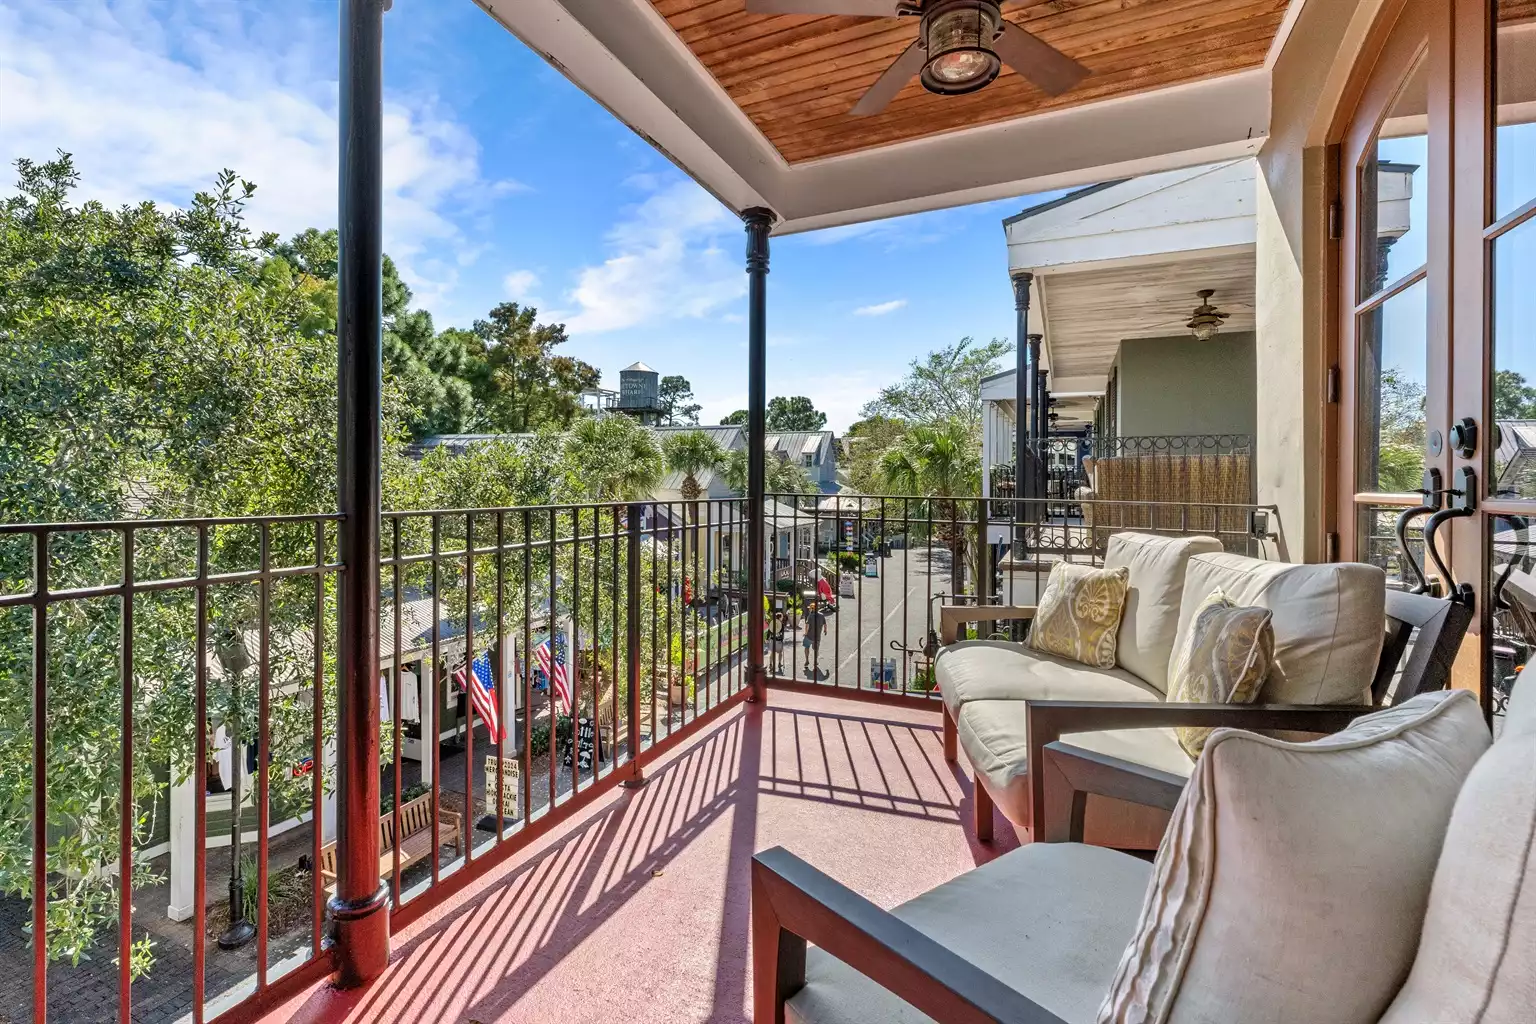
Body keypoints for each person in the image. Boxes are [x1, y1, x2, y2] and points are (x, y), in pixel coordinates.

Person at [802, 601, 827, 679]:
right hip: (817, 637)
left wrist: (805, 633)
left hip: (809, 636)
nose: (809, 610)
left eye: (810, 608)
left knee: (806, 647)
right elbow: (825, 624)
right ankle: (815, 661)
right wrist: (825, 630)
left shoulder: (810, 616)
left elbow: (807, 626)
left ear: (812, 609)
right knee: (816, 650)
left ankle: (807, 660)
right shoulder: (822, 615)